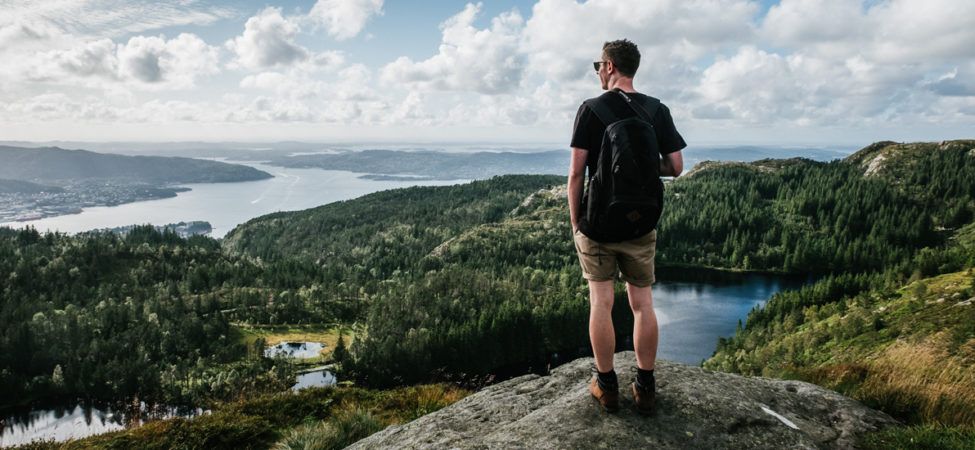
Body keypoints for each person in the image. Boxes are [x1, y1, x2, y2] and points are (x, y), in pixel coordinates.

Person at [568, 39, 685, 414]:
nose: (598, 72)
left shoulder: (591, 109)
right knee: (641, 304)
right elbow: (676, 167)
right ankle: (645, 387)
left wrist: (576, 224)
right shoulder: (656, 110)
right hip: (640, 224)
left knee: (601, 302)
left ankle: (607, 385)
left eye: (598, 66)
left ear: (609, 66)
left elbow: (576, 174)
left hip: (599, 225)